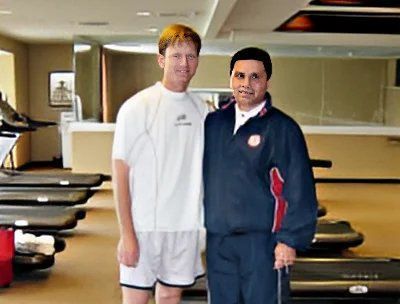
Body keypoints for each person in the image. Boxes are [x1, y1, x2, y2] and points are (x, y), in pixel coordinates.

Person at [203, 47, 318, 304]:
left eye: (255, 77)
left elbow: (300, 188)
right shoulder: (213, 124)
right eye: (240, 76)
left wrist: (289, 240)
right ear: (231, 79)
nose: (246, 83)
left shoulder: (283, 128)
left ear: (266, 80)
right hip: (218, 240)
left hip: (263, 244)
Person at [112, 24, 207, 304]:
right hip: (144, 228)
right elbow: (120, 173)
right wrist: (127, 234)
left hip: (185, 228)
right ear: (161, 59)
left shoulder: (203, 110)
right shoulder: (137, 107)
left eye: (191, 56)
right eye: (176, 55)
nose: (184, 63)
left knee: (169, 298)